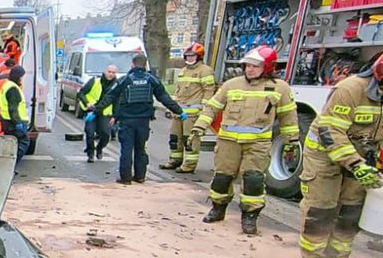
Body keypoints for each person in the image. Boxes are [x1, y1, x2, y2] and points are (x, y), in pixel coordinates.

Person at [190, 45, 299, 236]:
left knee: (253, 180)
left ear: (267, 67)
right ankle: (218, 208)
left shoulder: (279, 88)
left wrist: (292, 141)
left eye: (255, 66)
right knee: (222, 177)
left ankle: (250, 217)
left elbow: (288, 117)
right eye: (247, 65)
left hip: (257, 144)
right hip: (228, 142)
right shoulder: (231, 85)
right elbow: (212, 108)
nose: (250, 69)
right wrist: (199, 127)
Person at [297, 54, 383, 258]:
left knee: (351, 208)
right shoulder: (350, 89)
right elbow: (331, 131)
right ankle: (314, 254)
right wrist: (356, 164)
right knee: (322, 206)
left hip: (361, 155)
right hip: (324, 154)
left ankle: (338, 257)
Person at [89, 54, 186, 184]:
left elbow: (110, 96)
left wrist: (96, 111)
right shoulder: (152, 80)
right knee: (140, 148)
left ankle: (126, 178)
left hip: (127, 120)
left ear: (132, 65)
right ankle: (140, 176)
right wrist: (179, 111)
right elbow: (164, 98)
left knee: (127, 149)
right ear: (145, 65)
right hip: (144, 120)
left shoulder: (125, 80)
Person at [161, 42, 216, 173]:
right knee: (175, 138)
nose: (190, 58)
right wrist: (171, 108)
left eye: (193, 56)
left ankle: (189, 164)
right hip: (179, 113)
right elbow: (178, 92)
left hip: (193, 114)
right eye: (188, 56)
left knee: (190, 139)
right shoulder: (184, 71)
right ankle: (175, 160)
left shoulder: (205, 71)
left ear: (199, 56)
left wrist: (204, 109)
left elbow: (209, 91)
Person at [77, 64, 118, 162]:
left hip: (105, 114)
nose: (111, 74)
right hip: (92, 112)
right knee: (90, 133)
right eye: (109, 71)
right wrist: (87, 103)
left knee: (105, 135)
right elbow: (81, 93)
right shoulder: (94, 81)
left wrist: (115, 116)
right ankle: (90, 154)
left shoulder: (117, 85)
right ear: (105, 71)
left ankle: (99, 148)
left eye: (113, 72)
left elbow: (118, 102)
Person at [0, 65, 31, 163]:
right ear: (17, 77)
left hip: (7, 121)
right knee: (23, 142)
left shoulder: (7, 85)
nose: (22, 79)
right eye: (21, 77)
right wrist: (18, 123)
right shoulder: (13, 89)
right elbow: (13, 108)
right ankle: (11, 164)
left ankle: (8, 165)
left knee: (11, 145)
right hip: (14, 122)